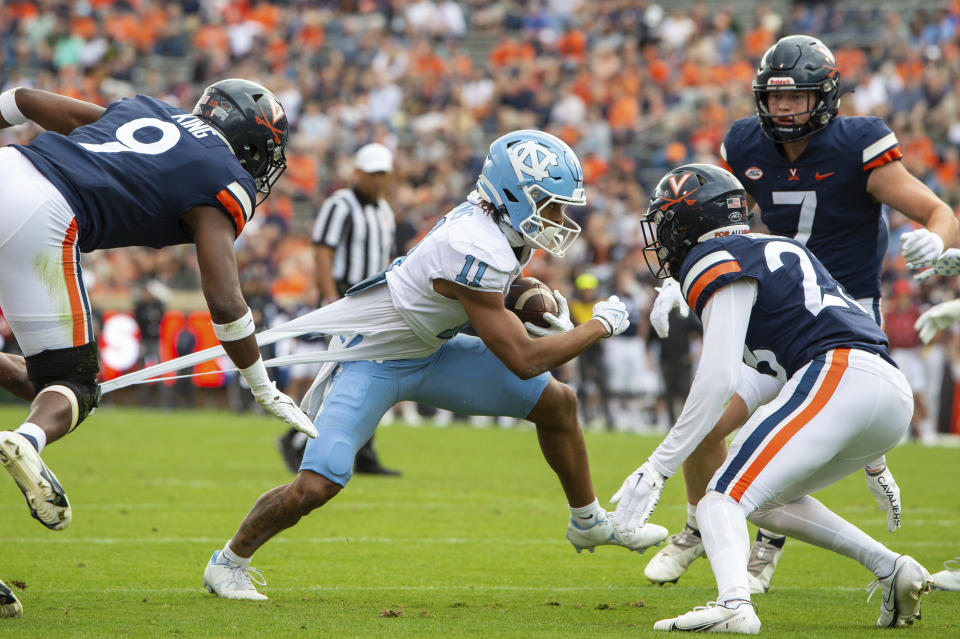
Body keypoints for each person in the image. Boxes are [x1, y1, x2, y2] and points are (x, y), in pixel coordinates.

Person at [200, 129, 669, 600]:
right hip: (375, 357)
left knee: (558, 404)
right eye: (550, 204)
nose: (560, 218)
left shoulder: (497, 223)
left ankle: (587, 521)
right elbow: (523, 360)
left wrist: (532, 309)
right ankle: (229, 562)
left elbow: (488, 304)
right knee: (316, 485)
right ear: (514, 195)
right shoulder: (474, 244)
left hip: (430, 349)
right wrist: (596, 326)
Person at [644, 35, 959, 592]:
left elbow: (937, 210)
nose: (785, 108)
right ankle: (698, 525)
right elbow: (715, 219)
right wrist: (679, 279)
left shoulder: (857, 143)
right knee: (703, 424)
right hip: (770, 319)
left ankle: (763, 550)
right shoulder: (745, 144)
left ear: (828, 95)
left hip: (838, 325)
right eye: (776, 97)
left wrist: (934, 241)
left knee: (777, 446)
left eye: (799, 97)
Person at [612, 163, 933, 632]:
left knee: (719, 497)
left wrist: (657, 466)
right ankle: (892, 568)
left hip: (839, 374)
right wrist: (875, 462)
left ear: (691, 221)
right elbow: (765, 377)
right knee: (761, 502)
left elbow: (718, 377)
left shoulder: (716, 255)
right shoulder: (771, 249)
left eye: (667, 223)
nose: (662, 238)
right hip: (882, 389)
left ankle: (733, 605)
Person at [0, 80, 317, 542]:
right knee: (73, 385)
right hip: (44, 215)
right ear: (251, 142)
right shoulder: (223, 175)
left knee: (49, 384)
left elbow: (24, 99)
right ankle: (27, 440)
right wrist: (262, 386)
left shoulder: (149, 109)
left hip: (11, 164)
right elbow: (226, 302)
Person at [277, 142, 401, 476]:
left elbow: (388, 259)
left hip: (374, 300)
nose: (378, 180)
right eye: (373, 174)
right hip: (347, 295)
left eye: (382, 174)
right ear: (357, 173)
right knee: (341, 374)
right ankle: (295, 437)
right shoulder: (340, 204)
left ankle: (365, 451)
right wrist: (331, 297)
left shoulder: (384, 211)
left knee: (373, 373)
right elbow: (322, 251)